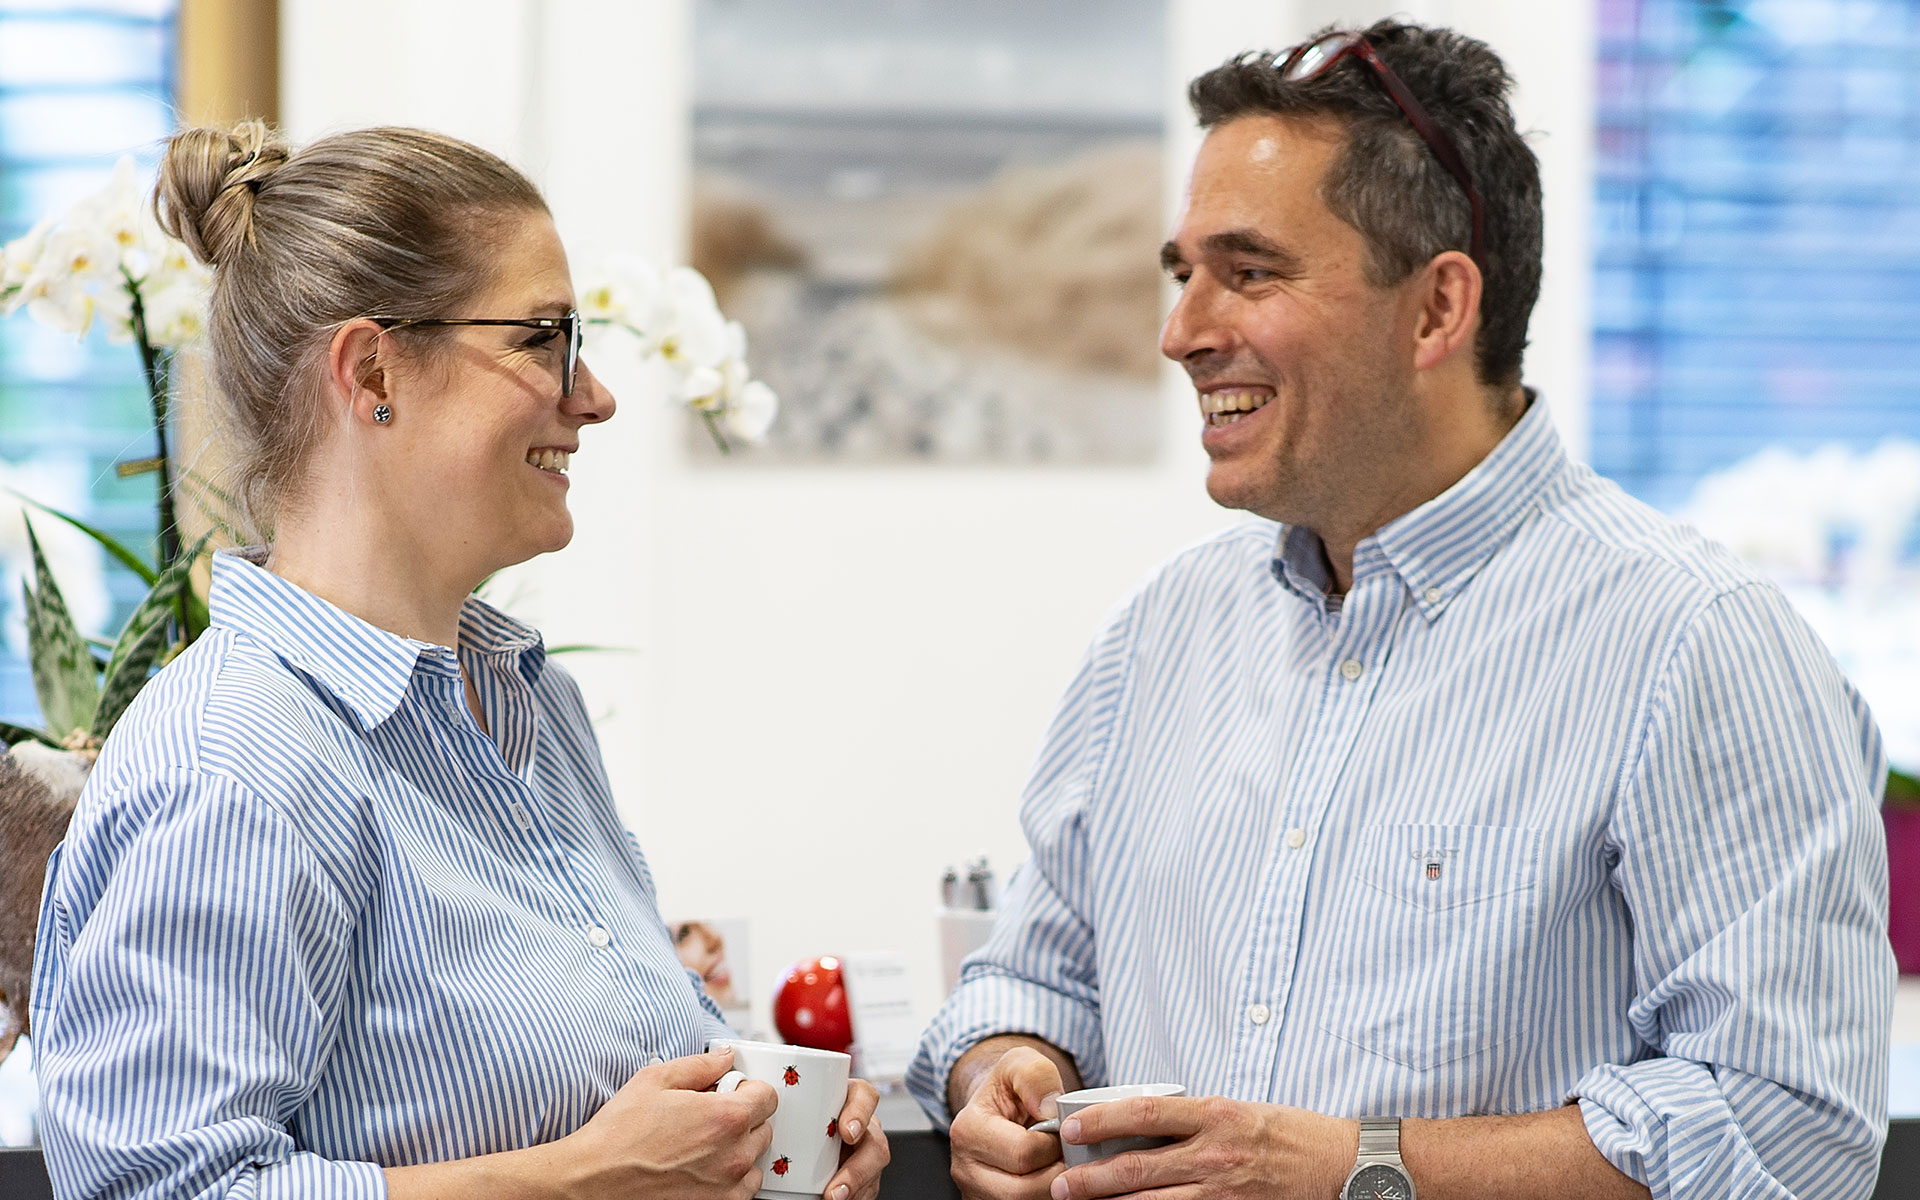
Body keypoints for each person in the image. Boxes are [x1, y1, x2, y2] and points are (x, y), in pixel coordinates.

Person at [908, 20, 1891, 1200]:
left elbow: (1788, 1131)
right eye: (1184, 273)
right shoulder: (1157, 639)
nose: (1181, 333)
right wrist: (1002, 1067)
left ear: (1435, 311)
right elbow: (1038, 978)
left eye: (1250, 270)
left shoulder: (1699, 645)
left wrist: (1352, 1168)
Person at [29, 121, 889, 1200]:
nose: (596, 396)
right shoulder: (236, 765)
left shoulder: (533, 709)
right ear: (374, 368)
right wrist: (580, 1177)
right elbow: (157, 1191)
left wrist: (764, 1110)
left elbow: (621, 1069)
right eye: (545, 340)